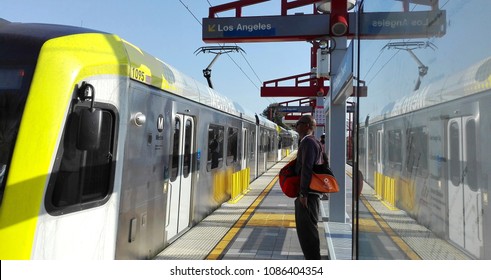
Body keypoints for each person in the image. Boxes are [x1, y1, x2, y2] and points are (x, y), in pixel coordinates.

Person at [294, 115, 322, 260]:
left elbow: (307, 168)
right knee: (308, 233)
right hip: (310, 194)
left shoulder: (308, 143)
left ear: (306, 125)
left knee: (307, 234)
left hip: (308, 196)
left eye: (298, 123)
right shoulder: (312, 142)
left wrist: (303, 194)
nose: (296, 126)